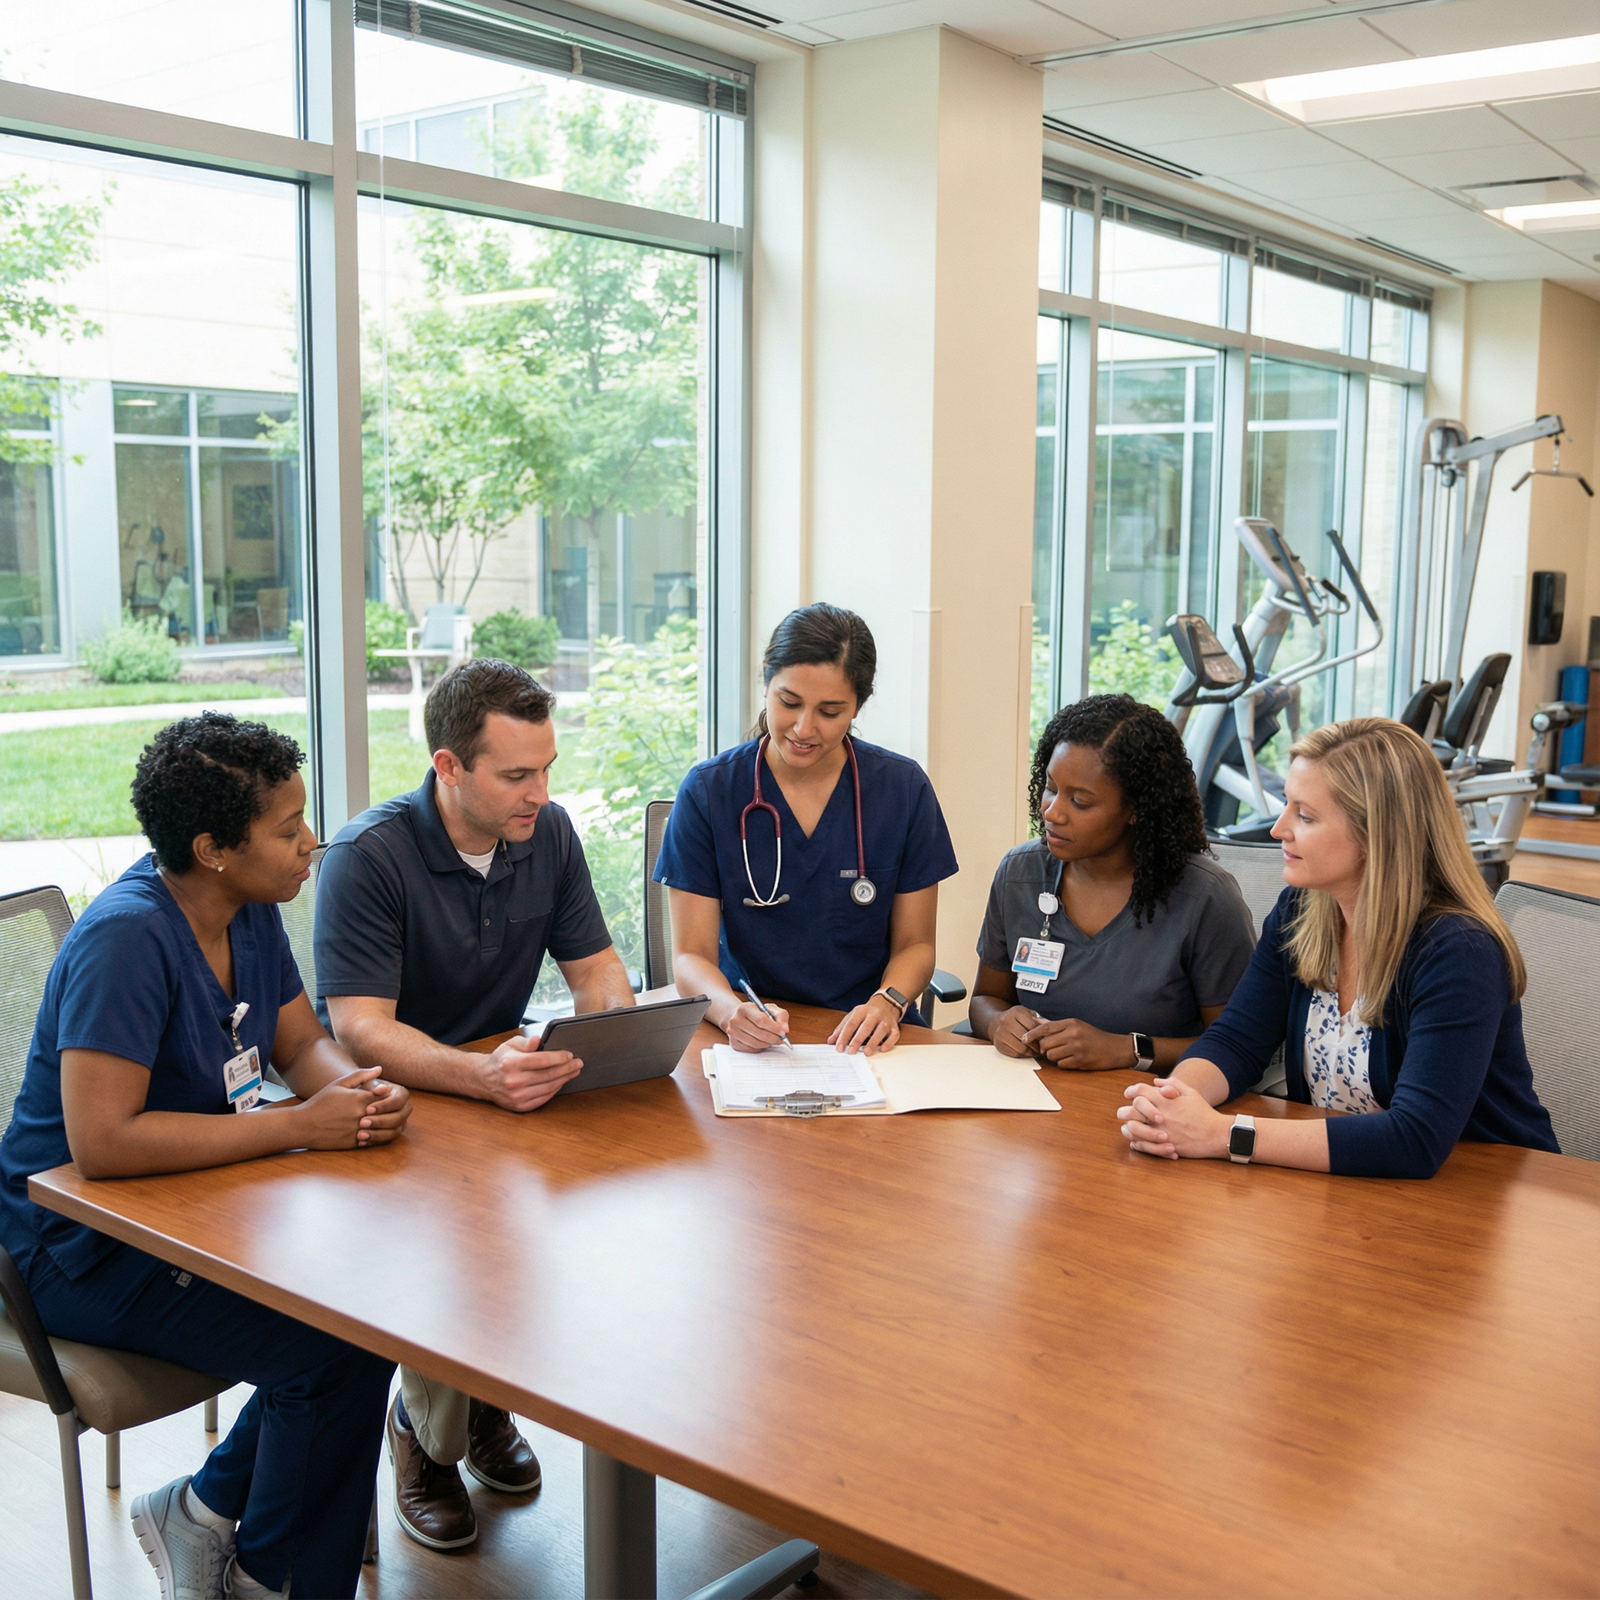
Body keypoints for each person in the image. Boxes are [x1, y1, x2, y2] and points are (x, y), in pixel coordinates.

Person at [0, 713, 412, 1600]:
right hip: (69, 1245)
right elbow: (101, 1148)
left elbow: (301, 1047)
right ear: (213, 847)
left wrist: (356, 1087)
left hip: (192, 1205)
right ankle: (275, 1582)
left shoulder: (250, 912)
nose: (312, 842)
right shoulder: (127, 940)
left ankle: (206, 1513)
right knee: (330, 1353)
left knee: (371, 1315)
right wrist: (300, 1126)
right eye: (287, 828)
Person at [314, 657, 635, 1553]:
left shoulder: (549, 833)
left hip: (502, 1094)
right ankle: (427, 1440)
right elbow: (363, 1030)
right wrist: (481, 1077)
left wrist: (614, 1031)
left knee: (602, 1206)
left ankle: (482, 1407)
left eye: (547, 769)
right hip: (392, 1112)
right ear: (450, 768)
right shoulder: (366, 857)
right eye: (517, 775)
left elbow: (596, 969)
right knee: (463, 1238)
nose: (540, 792)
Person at [1116, 717, 1559, 1178]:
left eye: (1304, 816)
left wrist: (1220, 1135)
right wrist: (1172, 1103)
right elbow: (1237, 1040)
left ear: (1375, 835)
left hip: (1490, 1199)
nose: (1278, 829)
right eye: (1287, 806)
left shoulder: (1458, 952)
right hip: (1350, 1186)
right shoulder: (1303, 910)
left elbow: (1415, 1139)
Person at [654, 603, 959, 1055]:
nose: (803, 728)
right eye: (789, 702)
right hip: (753, 1033)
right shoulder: (709, 791)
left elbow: (915, 944)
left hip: (866, 1038)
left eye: (830, 711)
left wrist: (887, 1002)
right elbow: (690, 955)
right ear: (765, 680)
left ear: (859, 703)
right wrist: (729, 1011)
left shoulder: (902, 789)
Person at [968, 694, 1256, 1071]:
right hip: (1032, 1095)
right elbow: (986, 999)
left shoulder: (1204, 898)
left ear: (1136, 809)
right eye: (1051, 788)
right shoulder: (1020, 874)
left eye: (1081, 802)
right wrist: (997, 1023)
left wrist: (1129, 1050)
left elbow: (1237, 1047)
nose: (1052, 812)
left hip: (1150, 1106)